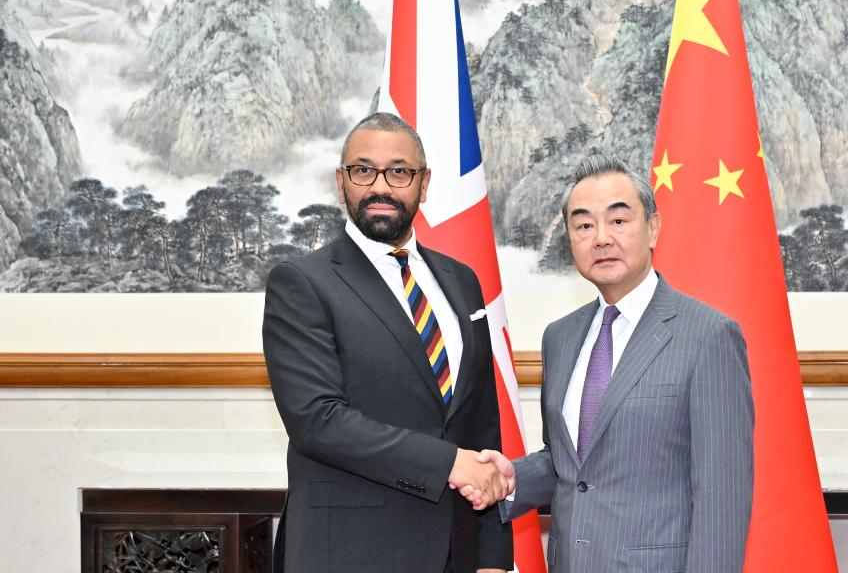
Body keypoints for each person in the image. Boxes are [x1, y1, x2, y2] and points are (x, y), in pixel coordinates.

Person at [467, 155, 754, 573]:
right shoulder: (561, 337)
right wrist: (508, 478)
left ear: (653, 228)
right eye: (584, 225)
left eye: (618, 221)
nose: (601, 238)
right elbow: (571, 463)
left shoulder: (707, 336)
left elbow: (721, 499)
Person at [263, 112, 513, 573]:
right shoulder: (301, 283)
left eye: (399, 171)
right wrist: (448, 464)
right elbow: (318, 421)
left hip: (456, 552)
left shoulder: (461, 281)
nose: (381, 186)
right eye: (363, 170)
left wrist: (493, 556)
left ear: (424, 183)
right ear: (342, 182)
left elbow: (482, 425)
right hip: (349, 552)